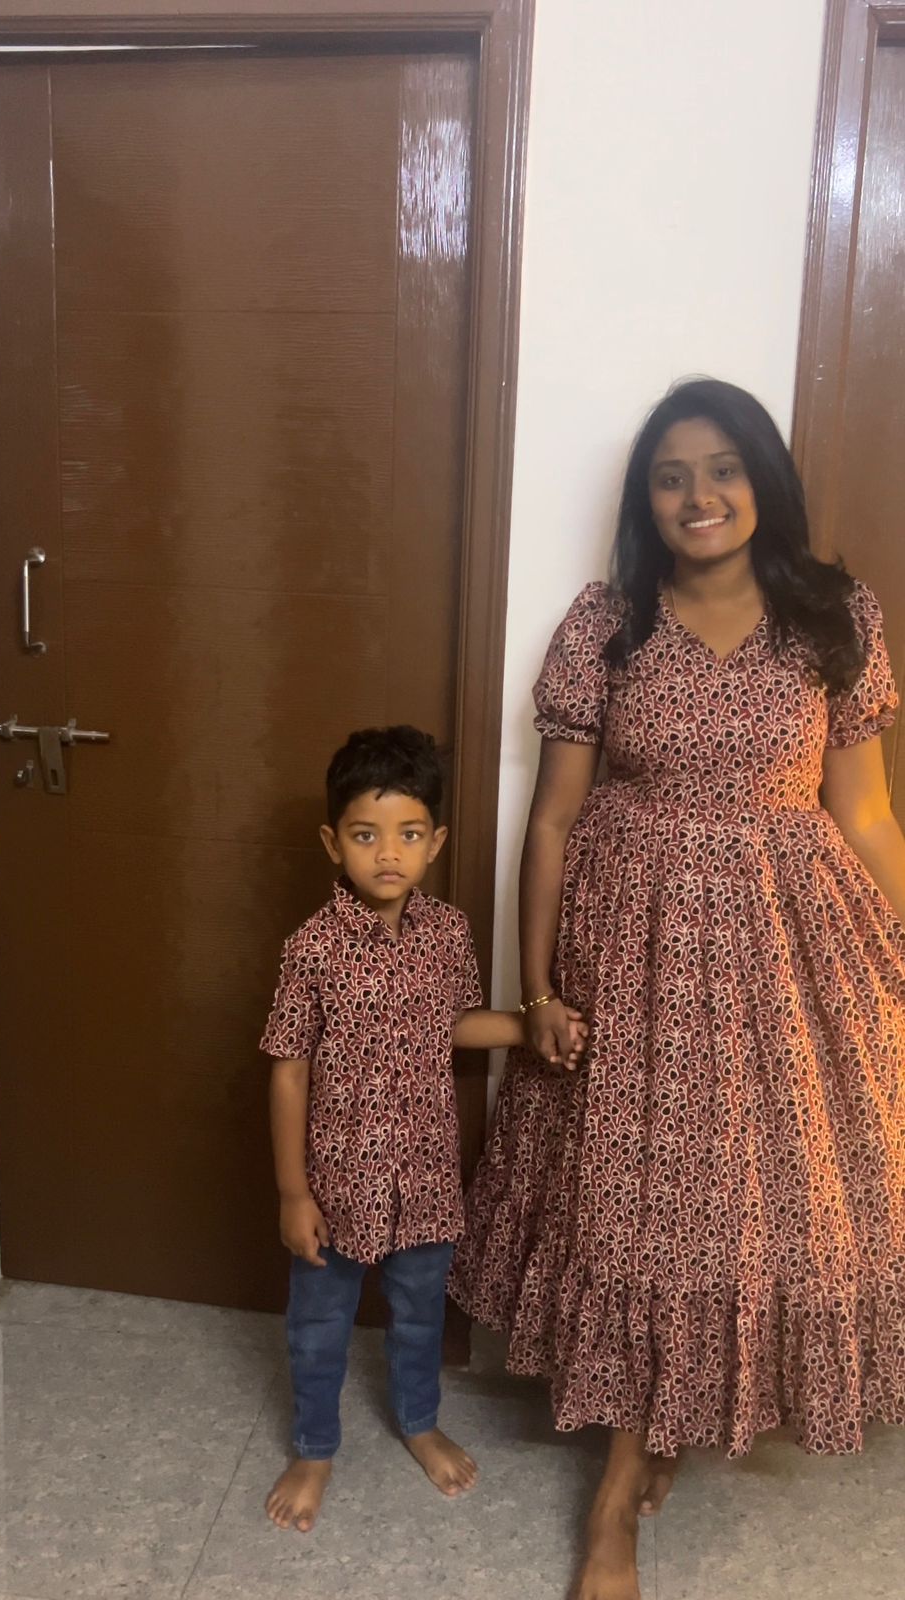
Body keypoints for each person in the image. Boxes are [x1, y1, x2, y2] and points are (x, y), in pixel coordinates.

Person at [449, 379, 905, 1600]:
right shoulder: (607, 624)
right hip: (633, 949)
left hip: (785, 952)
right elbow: (554, 819)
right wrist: (537, 986)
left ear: (763, 479)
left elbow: (864, 812)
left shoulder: (834, 616)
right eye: (670, 475)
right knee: (637, 1206)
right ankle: (620, 1484)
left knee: (748, 1205)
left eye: (723, 468)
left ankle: (670, 1425)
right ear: (645, 499)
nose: (699, 495)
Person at [260, 724, 586, 1534]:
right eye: (366, 836)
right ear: (333, 843)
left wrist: (529, 1027)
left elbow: (453, 1026)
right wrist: (293, 1192)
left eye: (408, 834)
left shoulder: (447, 933)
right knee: (318, 1326)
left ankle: (418, 1422)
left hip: (428, 1182)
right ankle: (314, 1448)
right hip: (335, 1186)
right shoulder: (311, 950)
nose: (388, 854)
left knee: (419, 1315)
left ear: (435, 842)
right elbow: (288, 1069)